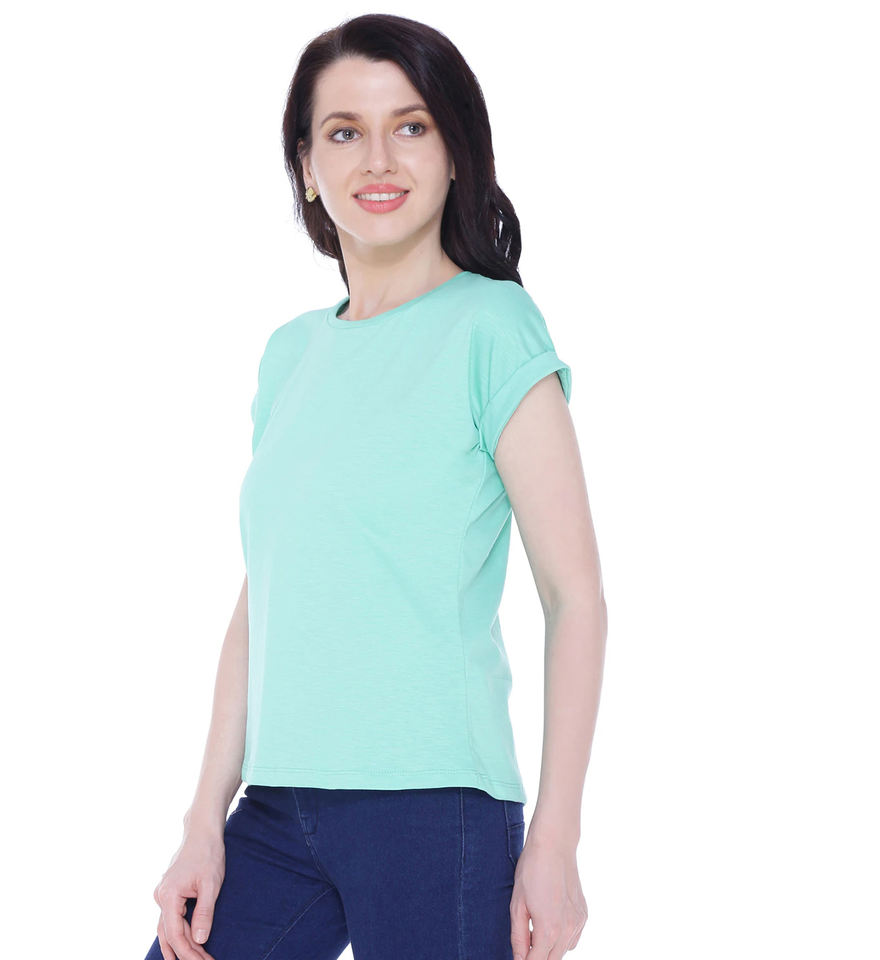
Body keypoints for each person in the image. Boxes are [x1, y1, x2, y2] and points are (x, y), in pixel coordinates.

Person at [143, 13, 606, 960]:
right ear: (307, 166)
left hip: (437, 810)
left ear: (455, 152)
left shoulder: (492, 328)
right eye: (345, 131)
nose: (379, 159)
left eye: (412, 125)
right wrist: (202, 820)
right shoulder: (291, 355)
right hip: (278, 809)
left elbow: (575, 599)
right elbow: (262, 601)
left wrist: (555, 842)